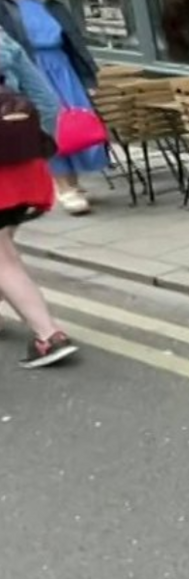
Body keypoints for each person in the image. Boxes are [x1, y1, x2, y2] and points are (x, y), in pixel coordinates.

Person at [0, 0, 103, 216]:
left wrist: (87, 75)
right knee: (46, 123)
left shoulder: (51, 3)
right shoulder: (5, 7)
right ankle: (63, 185)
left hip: (62, 66)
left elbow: (74, 40)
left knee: (74, 123)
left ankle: (74, 181)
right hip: (32, 68)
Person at [0, 28, 79, 367]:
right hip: (23, 166)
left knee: (3, 260)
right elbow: (46, 103)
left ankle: (48, 336)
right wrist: (34, 152)